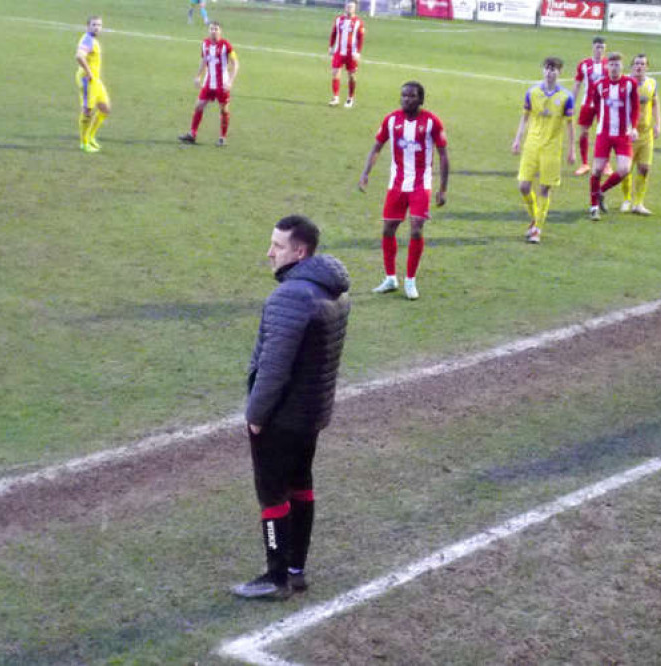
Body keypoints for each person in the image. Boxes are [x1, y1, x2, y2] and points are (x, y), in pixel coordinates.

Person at [232, 215, 351, 600]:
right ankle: (296, 569)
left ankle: (276, 577)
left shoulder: (290, 296)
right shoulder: (334, 291)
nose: (269, 253)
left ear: (300, 252)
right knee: (301, 484)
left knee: (272, 494)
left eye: (277, 246)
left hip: (281, 415)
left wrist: (255, 415)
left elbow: (273, 366)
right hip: (310, 413)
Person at [359, 81, 449, 300]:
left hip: (421, 184)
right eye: (404, 96)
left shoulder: (431, 122)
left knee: (416, 229)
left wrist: (443, 189)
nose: (406, 99)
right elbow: (377, 147)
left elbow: (443, 155)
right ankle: (391, 278)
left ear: (420, 99)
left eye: (411, 96)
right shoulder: (391, 120)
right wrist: (365, 173)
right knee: (388, 229)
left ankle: (410, 280)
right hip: (397, 184)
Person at [511, 57, 576, 244]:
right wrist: (517, 140)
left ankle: (537, 228)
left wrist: (572, 149)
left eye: (554, 69)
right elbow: (524, 118)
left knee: (544, 189)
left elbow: (570, 125)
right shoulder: (532, 92)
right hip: (531, 144)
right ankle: (535, 217)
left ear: (560, 72)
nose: (550, 72)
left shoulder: (566, 97)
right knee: (523, 186)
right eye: (547, 69)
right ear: (543, 71)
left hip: (552, 148)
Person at [587, 52, 639, 221]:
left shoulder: (630, 84)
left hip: (623, 134)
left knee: (624, 169)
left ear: (622, 66)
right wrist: (596, 124)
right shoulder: (599, 84)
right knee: (596, 169)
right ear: (607, 66)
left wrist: (634, 127)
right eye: (611, 64)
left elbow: (635, 108)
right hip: (604, 134)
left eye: (617, 65)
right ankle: (594, 206)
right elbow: (595, 106)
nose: (614, 68)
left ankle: (601, 191)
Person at [179, 21, 239, 147]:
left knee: (224, 110)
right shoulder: (205, 44)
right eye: (211, 29)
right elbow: (204, 60)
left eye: (216, 29)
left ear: (220, 31)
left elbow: (235, 64)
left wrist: (230, 81)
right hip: (208, 83)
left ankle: (222, 137)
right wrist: (198, 76)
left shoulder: (226, 45)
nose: (213, 31)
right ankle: (192, 134)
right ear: (208, 31)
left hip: (222, 84)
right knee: (198, 106)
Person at [620, 54, 660, 216]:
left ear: (647, 67)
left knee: (644, 168)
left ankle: (639, 203)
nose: (639, 67)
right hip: (628, 134)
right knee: (626, 169)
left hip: (646, 134)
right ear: (632, 66)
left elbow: (656, 104)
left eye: (642, 64)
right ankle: (626, 199)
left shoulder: (652, 83)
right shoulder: (625, 83)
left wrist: (658, 124)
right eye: (636, 63)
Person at [571, 36, 607, 177]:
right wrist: (572, 103)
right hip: (587, 103)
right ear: (593, 47)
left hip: (604, 104)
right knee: (584, 132)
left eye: (602, 47)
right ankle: (585, 163)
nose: (600, 50)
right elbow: (577, 84)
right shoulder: (584, 64)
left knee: (605, 134)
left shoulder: (609, 64)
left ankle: (606, 164)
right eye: (597, 47)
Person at [76, 15, 111, 153]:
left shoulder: (93, 40)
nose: (97, 28)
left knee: (105, 109)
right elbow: (79, 56)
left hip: (95, 80)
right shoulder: (87, 40)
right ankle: (84, 142)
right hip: (88, 80)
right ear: (88, 26)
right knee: (87, 110)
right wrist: (88, 72)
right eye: (94, 25)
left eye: (99, 25)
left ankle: (91, 137)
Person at [328, 1, 365, 108]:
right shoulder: (339, 19)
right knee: (335, 72)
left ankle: (350, 98)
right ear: (345, 7)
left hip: (351, 54)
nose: (349, 9)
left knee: (352, 76)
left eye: (351, 7)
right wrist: (331, 46)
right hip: (339, 52)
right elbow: (334, 33)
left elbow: (360, 38)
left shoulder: (359, 22)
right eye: (348, 6)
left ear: (355, 8)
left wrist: (358, 52)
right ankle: (335, 97)